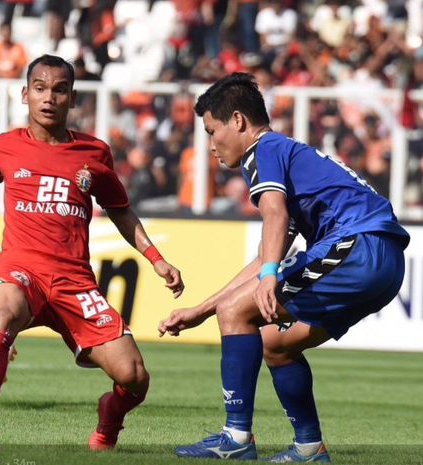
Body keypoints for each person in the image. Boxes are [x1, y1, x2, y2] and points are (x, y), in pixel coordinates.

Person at [158, 72, 410, 462]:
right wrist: (200, 311)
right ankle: (309, 447)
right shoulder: (290, 155)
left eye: (212, 130)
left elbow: (272, 217)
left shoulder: (263, 150)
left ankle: (236, 436)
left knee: (237, 312)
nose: (210, 145)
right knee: (275, 344)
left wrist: (270, 277)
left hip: (358, 246)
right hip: (387, 261)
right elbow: (266, 254)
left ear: (238, 121)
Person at [0, 54, 185, 452]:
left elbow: (120, 210)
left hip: (75, 281)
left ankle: (108, 422)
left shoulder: (95, 153)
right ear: (25, 94)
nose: (49, 97)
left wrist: (156, 258)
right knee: (2, 316)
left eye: (59, 90)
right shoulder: (3, 147)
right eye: (40, 88)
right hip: (23, 270)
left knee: (135, 377)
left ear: (72, 98)